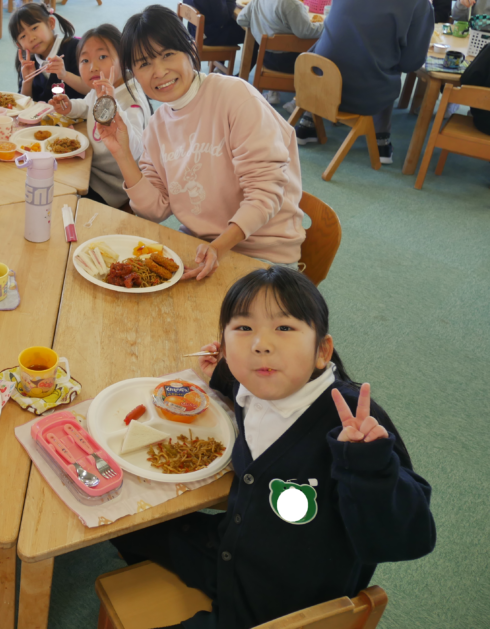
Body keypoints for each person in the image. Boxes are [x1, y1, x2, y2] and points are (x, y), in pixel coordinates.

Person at [112, 266, 436, 629]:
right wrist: (223, 373)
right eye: (243, 328)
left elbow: (408, 541)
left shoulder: (353, 425)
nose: (260, 344)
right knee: (124, 525)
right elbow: (247, 391)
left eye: (284, 328)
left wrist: (367, 467)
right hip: (231, 549)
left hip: (279, 608)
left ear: (322, 351)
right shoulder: (255, 387)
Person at [100, 5, 306, 276]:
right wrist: (123, 154)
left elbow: (265, 193)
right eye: (144, 64)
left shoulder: (236, 97)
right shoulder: (157, 126)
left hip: (263, 255)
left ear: (189, 48)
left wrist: (217, 247)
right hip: (201, 246)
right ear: (134, 74)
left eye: (167, 54)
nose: (158, 71)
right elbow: (155, 210)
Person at [309, 0, 435, 163]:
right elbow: (411, 62)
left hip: (316, 83)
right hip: (364, 94)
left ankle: (308, 120)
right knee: (384, 62)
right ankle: (380, 139)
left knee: (336, 41)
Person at [47, 24, 148, 208]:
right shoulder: (102, 86)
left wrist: (112, 104)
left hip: (114, 186)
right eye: (85, 60)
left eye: (102, 57)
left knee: (58, 199)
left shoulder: (132, 99)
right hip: (91, 169)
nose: (93, 67)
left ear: (123, 59)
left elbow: (135, 149)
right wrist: (70, 107)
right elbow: (87, 105)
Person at [237, 0, 323, 87]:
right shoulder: (291, 4)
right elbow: (306, 32)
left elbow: (241, 19)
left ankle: (273, 92)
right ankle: (305, 97)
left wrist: (262, 25)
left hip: (265, 57)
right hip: (289, 61)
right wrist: (327, 25)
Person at [9, 2, 88, 102]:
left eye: (34, 28)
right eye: (23, 36)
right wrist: (27, 82)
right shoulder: (29, 63)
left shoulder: (76, 48)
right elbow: (24, 104)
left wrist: (65, 75)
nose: (31, 38)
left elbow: (92, 89)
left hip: (78, 111)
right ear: (20, 45)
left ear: (51, 23)